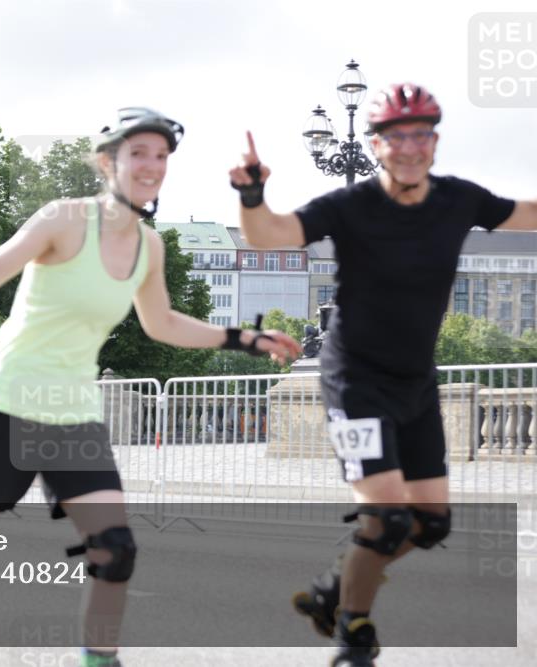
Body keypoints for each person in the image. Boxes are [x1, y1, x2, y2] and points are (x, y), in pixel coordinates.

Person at [0, 107, 302, 667]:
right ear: (107, 161)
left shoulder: (150, 246)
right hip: (7, 403)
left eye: (161, 156)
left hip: (73, 415)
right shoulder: (63, 219)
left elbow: (160, 323)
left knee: (114, 551)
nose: (151, 166)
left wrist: (242, 338)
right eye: (138, 153)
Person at [228, 82, 537, 666]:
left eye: (421, 134)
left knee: (431, 523)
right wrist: (251, 192)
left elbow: (528, 214)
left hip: (416, 381)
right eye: (396, 136)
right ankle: (353, 632)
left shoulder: (461, 200)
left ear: (435, 141)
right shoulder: (350, 207)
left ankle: (334, 591)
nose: (410, 147)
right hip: (356, 380)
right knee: (389, 518)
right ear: (375, 145)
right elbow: (268, 234)